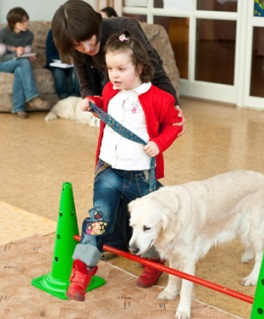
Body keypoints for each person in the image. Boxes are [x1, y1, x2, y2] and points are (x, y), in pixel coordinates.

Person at [65, 30, 183, 302]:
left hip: (140, 174)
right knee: (98, 218)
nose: (114, 75)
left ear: (139, 68)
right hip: (108, 171)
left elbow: (174, 124)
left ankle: (153, 265)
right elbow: (104, 105)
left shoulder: (158, 98)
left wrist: (160, 143)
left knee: (145, 223)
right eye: (110, 69)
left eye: (121, 69)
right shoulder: (110, 89)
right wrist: (92, 102)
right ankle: (82, 269)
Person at [51, 0, 184, 122]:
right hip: (113, 88)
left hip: (142, 83)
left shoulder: (125, 28)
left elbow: (156, 71)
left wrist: (174, 107)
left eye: (88, 38)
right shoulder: (76, 50)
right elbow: (85, 84)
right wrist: (91, 101)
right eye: (77, 45)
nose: (86, 48)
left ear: (95, 23)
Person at [0, 7, 48, 119]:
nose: (26, 24)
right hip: (4, 64)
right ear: (13, 23)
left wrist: (29, 57)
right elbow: (2, 57)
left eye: (26, 21)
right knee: (23, 63)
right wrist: (16, 54)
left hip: (20, 63)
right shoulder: (2, 34)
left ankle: (18, 108)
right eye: (22, 21)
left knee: (20, 69)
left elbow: (26, 54)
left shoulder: (29, 35)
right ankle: (33, 96)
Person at [45, 29, 81, 99]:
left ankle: (75, 97)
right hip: (57, 63)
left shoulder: (76, 30)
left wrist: (74, 58)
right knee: (59, 75)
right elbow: (49, 54)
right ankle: (63, 99)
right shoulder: (52, 32)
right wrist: (63, 58)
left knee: (78, 72)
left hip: (73, 63)